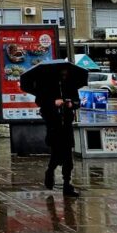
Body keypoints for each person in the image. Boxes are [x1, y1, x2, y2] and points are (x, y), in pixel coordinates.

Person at [34, 66, 82, 197]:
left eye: (66, 73)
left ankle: (67, 184)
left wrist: (72, 104)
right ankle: (50, 171)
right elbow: (40, 101)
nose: (65, 75)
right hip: (54, 124)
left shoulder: (71, 85)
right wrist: (53, 102)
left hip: (66, 124)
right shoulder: (46, 85)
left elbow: (77, 101)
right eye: (62, 73)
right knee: (56, 153)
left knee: (67, 155)